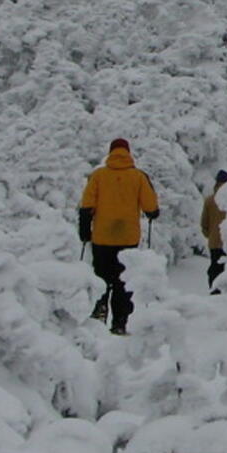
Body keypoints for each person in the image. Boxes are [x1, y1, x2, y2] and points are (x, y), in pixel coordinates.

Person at [79, 138, 159, 334]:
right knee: (123, 282)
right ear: (128, 153)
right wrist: (152, 214)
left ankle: (98, 315)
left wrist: (84, 231)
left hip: (102, 238)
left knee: (101, 278)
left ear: (111, 153)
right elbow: (151, 207)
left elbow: (87, 205)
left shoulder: (98, 175)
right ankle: (120, 322)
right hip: (127, 239)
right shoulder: (139, 177)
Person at [200, 169, 227, 292]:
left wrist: (211, 236)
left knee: (215, 268)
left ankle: (215, 290)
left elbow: (204, 223)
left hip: (215, 241)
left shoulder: (210, 200)